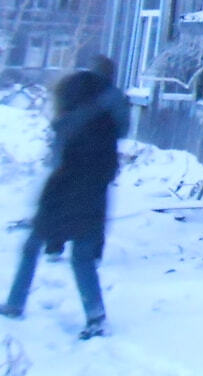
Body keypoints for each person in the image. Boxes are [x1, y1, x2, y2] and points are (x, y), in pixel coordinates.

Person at [0, 65, 126, 339]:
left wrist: (49, 198)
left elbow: (60, 163)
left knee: (33, 245)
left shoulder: (71, 124)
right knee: (81, 257)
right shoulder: (105, 124)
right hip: (94, 197)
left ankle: (15, 303)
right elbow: (109, 166)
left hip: (64, 197)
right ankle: (96, 317)